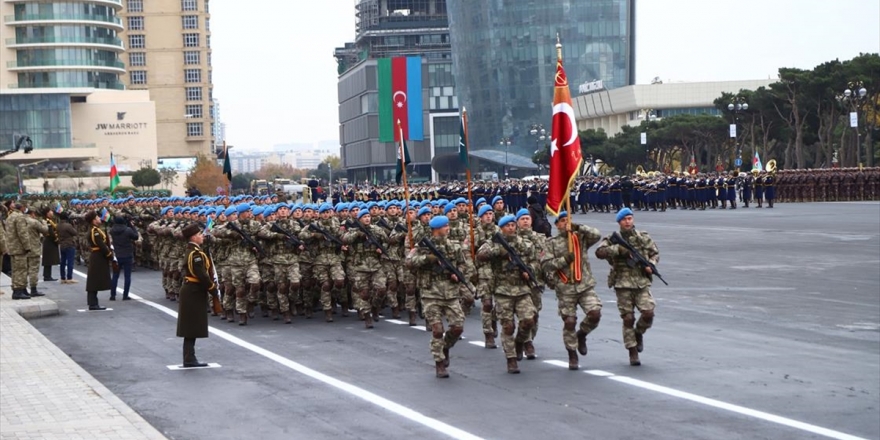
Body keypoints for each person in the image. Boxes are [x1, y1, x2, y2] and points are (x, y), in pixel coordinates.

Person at [405, 215, 475, 378]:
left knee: (458, 327)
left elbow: (463, 265)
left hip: (450, 293)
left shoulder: (454, 247)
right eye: (445, 226)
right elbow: (409, 262)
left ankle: (445, 347)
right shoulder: (422, 246)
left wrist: (458, 275)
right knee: (437, 330)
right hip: (430, 293)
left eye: (448, 226)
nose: (448, 228)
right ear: (436, 229)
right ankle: (439, 363)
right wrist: (427, 259)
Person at [595, 208, 659, 366]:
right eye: (624, 219)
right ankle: (632, 351)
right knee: (628, 318)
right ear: (619, 222)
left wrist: (651, 264)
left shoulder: (642, 237)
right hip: (622, 283)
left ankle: (638, 333)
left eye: (630, 218)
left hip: (641, 282)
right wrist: (619, 250)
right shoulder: (612, 238)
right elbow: (599, 252)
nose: (628, 221)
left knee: (648, 313)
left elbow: (655, 253)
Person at [541, 211, 603, 370]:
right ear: (556, 225)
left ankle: (582, 334)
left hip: (584, 285)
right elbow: (546, 265)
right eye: (562, 221)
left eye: (567, 220)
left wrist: (577, 227)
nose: (565, 223)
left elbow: (597, 235)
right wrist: (564, 260)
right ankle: (572, 353)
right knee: (569, 322)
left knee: (595, 313)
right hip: (565, 287)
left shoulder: (579, 237)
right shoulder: (551, 243)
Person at [477, 214, 538, 374]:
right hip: (503, 291)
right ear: (501, 228)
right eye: (507, 225)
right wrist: (501, 251)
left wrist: (529, 271)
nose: (511, 228)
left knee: (528, 321)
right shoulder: (494, 243)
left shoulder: (524, 244)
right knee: (508, 326)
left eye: (513, 225)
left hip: (522, 289)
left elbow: (534, 261)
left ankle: (519, 343)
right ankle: (511, 359)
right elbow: (481, 255)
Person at [177, 223, 215, 368]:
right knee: (191, 325)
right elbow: (201, 274)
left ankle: (189, 357)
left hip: (193, 290)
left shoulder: (194, 251)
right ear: (193, 237)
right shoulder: (195, 254)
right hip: (193, 291)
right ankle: (189, 358)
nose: (202, 236)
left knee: (191, 325)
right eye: (200, 234)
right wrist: (212, 287)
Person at [84, 210, 112, 310]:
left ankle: (93, 302)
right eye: (97, 218)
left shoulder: (96, 229)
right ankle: (93, 304)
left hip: (98, 256)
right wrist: (109, 254)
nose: (99, 219)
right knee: (94, 280)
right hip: (97, 257)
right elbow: (101, 244)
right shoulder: (94, 231)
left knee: (94, 280)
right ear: (93, 221)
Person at [110, 215, 139, 300]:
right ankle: (125, 295)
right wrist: (132, 226)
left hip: (117, 254)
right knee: (127, 276)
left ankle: (113, 295)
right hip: (127, 254)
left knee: (115, 275)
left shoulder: (112, 230)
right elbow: (136, 237)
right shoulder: (128, 230)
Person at [57, 212, 78, 284]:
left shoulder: (58, 225)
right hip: (69, 244)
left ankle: (62, 277)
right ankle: (69, 278)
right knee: (70, 262)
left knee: (62, 261)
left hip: (62, 245)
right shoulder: (68, 225)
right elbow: (75, 232)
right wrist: (74, 225)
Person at [41, 207, 60, 282]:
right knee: (48, 260)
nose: (52, 212)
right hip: (49, 242)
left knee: (49, 260)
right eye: (50, 211)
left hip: (49, 242)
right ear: (47, 213)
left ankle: (47, 275)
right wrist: (56, 240)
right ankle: (47, 276)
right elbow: (51, 232)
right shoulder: (48, 221)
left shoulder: (50, 220)